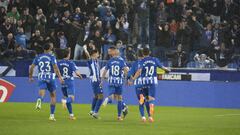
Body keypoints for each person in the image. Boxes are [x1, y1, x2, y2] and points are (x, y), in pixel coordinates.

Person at [130, 47, 170, 122]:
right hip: (152, 82)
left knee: (143, 98)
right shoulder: (154, 60)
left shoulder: (142, 61)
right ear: (150, 52)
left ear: (143, 53)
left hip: (144, 82)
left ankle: (144, 100)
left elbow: (139, 71)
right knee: (151, 99)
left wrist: (133, 79)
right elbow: (162, 67)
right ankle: (151, 111)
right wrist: (167, 70)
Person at [29, 43, 64, 121]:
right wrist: (60, 78)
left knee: (41, 92)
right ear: (49, 49)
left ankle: (40, 99)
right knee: (53, 96)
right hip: (51, 77)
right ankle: (51, 116)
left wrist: (30, 77)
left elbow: (31, 68)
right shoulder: (52, 57)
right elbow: (56, 67)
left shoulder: (38, 57)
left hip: (41, 77)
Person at [101, 46, 129, 121]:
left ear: (114, 51)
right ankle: (119, 116)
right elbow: (126, 70)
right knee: (119, 98)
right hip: (119, 81)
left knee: (113, 96)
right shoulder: (121, 60)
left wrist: (102, 80)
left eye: (110, 51)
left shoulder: (110, 61)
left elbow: (105, 71)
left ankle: (108, 99)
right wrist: (127, 79)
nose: (109, 52)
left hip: (111, 81)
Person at [57, 49, 82, 120]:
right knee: (71, 99)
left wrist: (59, 78)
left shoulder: (59, 63)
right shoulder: (71, 63)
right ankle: (64, 101)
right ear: (68, 55)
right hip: (69, 82)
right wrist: (80, 76)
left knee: (66, 97)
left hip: (62, 82)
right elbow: (77, 72)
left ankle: (71, 115)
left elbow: (56, 71)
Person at [127, 49, 150, 122]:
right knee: (147, 100)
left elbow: (129, 73)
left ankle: (143, 117)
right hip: (146, 84)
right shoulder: (148, 62)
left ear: (137, 56)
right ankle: (149, 116)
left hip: (138, 85)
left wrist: (130, 79)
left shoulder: (135, 63)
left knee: (141, 101)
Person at [86, 49, 104, 119]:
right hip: (95, 80)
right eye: (97, 53)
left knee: (96, 96)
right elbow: (89, 56)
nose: (98, 54)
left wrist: (93, 48)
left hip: (96, 80)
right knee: (101, 96)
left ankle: (92, 111)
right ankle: (95, 112)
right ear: (94, 54)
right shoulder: (91, 61)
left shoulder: (96, 61)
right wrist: (85, 49)